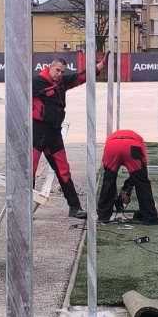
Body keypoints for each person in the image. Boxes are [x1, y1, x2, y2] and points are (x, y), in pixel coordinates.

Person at [32, 55, 104, 219]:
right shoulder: (36, 82)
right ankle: (24, 209)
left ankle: (75, 207)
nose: (59, 74)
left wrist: (99, 67)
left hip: (54, 133)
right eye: (57, 70)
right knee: (30, 171)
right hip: (37, 132)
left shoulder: (61, 82)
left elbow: (80, 77)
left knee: (64, 171)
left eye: (62, 72)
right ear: (50, 67)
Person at [97, 129, 158, 225]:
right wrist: (128, 187)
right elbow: (140, 176)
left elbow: (108, 171)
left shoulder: (112, 137)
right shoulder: (140, 141)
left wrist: (125, 188)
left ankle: (103, 216)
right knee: (142, 184)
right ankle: (150, 217)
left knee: (108, 182)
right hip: (132, 146)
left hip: (111, 146)